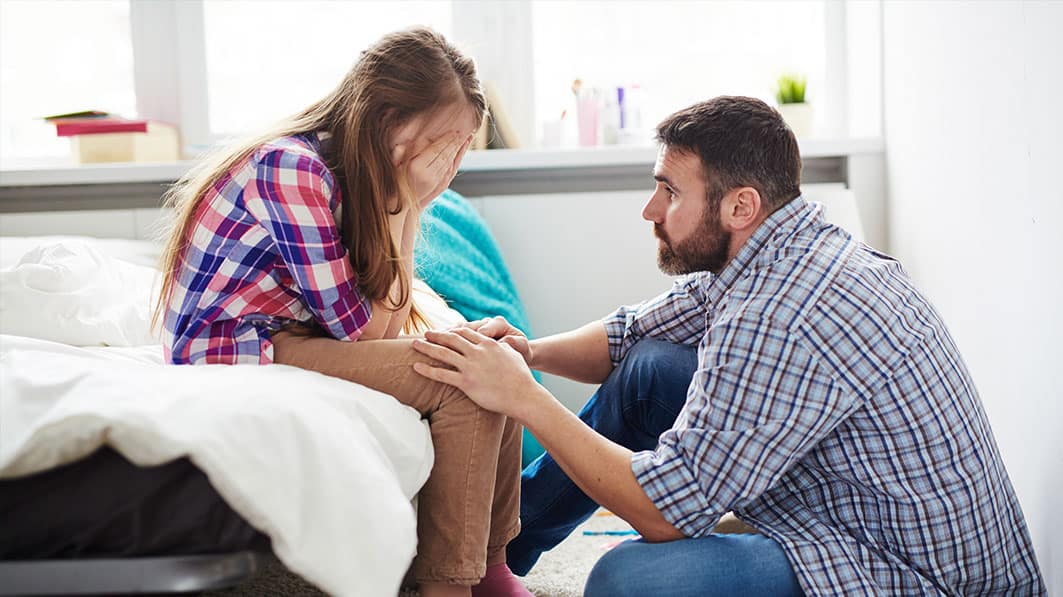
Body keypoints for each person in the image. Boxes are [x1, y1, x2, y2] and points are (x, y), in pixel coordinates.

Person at [411, 96, 1046, 595]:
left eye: (670, 192)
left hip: (903, 574)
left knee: (623, 581)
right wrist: (530, 355)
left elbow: (665, 513)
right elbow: (632, 333)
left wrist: (523, 399)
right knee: (651, 367)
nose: (649, 210)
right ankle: (493, 558)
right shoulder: (782, 248)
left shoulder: (779, 312)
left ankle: (491, 556)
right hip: (852, 509)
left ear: (740, 205)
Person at [155, 27, 530, 597]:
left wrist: (409, 200)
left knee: (491, 359)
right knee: (462, 380)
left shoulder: (348, 171)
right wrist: (407, 201)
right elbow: (364, 330)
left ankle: (492, 568)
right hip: (238, 347)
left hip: (294, 333)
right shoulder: (292, 169)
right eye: (441, 143)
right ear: (385, 119)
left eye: (459, 147)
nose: (449, 164)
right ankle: (448, 586)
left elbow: (379, 317)